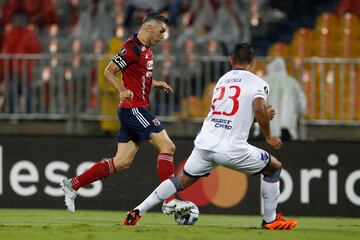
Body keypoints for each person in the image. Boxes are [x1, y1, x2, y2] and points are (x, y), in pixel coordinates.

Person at [123, 43, 298, 230]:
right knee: (274, 168)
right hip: (231, 148)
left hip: (205, 144)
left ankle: (137, 211)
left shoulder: (222, 81)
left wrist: (257, 118)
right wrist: (268, 135)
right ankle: (270, 221)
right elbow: (257, 106)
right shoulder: (258, 82)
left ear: (231, 61)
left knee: (178, 181)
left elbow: (230, 115)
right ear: (253, 63)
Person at [61, 12, 186, 215]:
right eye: (161, 31)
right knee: (168, 147)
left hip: (134, 109)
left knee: (122, 162)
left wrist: (155, 83)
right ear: (148, 28)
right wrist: (121, 89)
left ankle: (73, 184)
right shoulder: (131, 48)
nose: (163, 36)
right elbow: (109, 71)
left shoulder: (146, 50)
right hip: (133, 108)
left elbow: (138, 75)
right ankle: (169, 201)